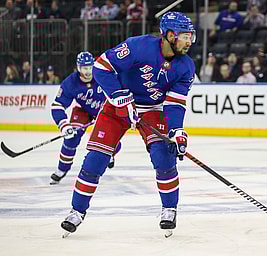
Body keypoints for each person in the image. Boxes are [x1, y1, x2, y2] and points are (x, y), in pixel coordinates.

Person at [60, 12, 196, 237]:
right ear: (170, 35)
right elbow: (102, 67)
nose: (190, 41)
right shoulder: (138, 46)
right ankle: (77, 211)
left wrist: (177, 131)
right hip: (116, 107)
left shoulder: (186, 67)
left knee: (164, 157)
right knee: (96, 159)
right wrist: (118, 95)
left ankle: (169, 208)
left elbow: (174, 103)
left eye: (191, 36)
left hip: (152, 110)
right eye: (185, 36)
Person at [50, 52, 120, 185]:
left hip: (105, 111)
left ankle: (110, 153)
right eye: (84, 68)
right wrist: (64, 125)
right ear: (78, 67)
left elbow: (118, 93)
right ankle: (62, 169)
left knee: (111, 141)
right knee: (72, 137)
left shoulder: (102, 76)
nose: (87, 72)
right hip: (82, 110)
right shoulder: (70, 82)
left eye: (90, 67)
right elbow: (57, 105)